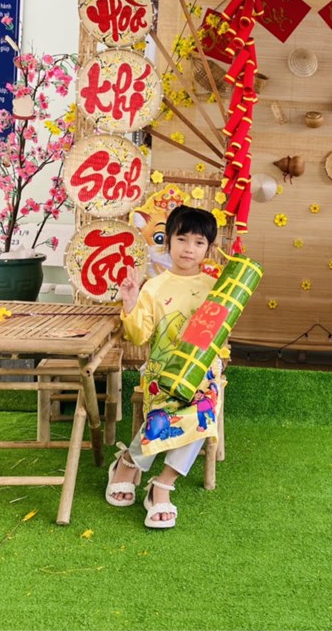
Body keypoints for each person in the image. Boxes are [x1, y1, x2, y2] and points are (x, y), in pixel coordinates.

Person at [106, 205, 222, 529]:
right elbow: (138, 335)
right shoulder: (154, 287)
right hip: (161, 369)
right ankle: (128, 462)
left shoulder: (215, 288)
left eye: (199, 242)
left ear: (208, 248)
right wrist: (130, 301)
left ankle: (162, 484)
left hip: (202, 370)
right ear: (167, 241)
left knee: (203, 409)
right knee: (163, 411)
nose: (189, 249)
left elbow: (219, 333)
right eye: (181, 239)